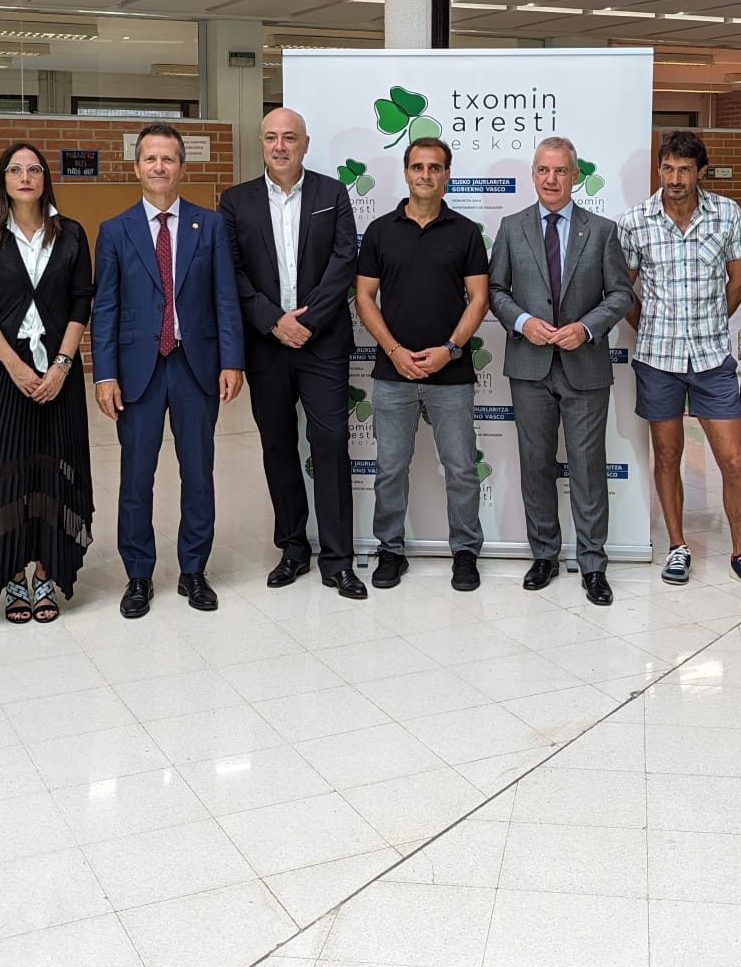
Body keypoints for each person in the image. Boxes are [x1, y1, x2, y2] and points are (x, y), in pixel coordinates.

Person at [94, 124, 245, 618]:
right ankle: (138, 574)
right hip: (137, 370)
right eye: (150, 159)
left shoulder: (211, 225)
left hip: (194, 365)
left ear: (183, 166)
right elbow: (107, 308)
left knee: (198, 473)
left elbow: (226, 298)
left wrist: (232, 360)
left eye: (169, 159)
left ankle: (193, 570)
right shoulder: (114, 231)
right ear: (136, 167)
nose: (160, 167)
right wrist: (104, 374)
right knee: (137, 477)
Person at [218, 107, 367, 600]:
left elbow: (345, 259)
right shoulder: (234, 201)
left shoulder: (331, 193)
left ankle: (339, 559)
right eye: (270, 138)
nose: (280, 146)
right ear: (260, 144)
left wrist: (305, 322)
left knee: (329, 446)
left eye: (289, 138)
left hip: (322, 344)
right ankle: (292, 548)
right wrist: (272, 321)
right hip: (267, 346)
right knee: (278, 448)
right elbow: (232, 272)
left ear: (305, 144)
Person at [618, 129, 741, 591]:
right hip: (657, 359)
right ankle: (678, 547)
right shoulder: (636, 221)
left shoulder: (726, 213)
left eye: (685, 169)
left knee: (734, 459)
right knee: (667, 455)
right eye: (668, 168)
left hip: (711, 358)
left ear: (700, 171)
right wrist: (651, 326)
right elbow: (624, 289)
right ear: (659, 169)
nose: (676, 178)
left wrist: (705, 321)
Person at [489, 137, 636, 606]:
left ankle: (593, 565)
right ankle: (545, 557)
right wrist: (522, 321)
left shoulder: (602, 230)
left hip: (584, 367)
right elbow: (496, 290)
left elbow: (620, 294)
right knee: (535, 467)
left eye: (560, 171)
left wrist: (588, 329)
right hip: (530, 367)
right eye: (542, 171)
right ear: (534, 175)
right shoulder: (511, 228)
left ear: (575, 175)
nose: (551, 179)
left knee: (589, 470)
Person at [0, 143, 95, 624]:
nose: (25, 176)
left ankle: (45, 569)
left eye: (34, 168)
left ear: (45, 179)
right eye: (15, 168)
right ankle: (14, 574)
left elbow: (81, 303)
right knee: (6, 472)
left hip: (59, 377)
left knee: (52, 469)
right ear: (3, 179)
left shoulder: (70, 233)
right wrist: (17, 367)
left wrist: (60, 366)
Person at [354, 136, 490, 591]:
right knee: (391, 466)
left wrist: (449, 350)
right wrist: (394, 351)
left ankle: (466, 552)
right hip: (393, 373)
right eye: (418, 167)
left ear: (447, 176)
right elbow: (364, 297)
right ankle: (390, 550)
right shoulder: (379, 231)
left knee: (461, 468)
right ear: (406, 172)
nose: (426, 175)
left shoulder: (466, 232)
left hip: (450, 372)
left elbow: (480, 298)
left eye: (435, 168)